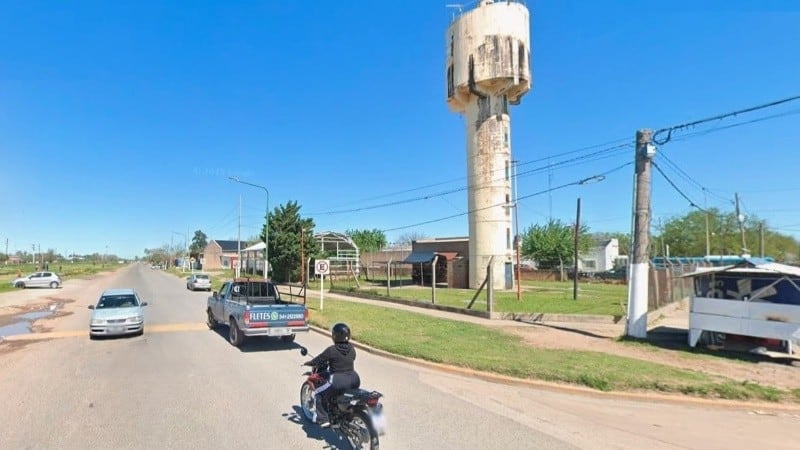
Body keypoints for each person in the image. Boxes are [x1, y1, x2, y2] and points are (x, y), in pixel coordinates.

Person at [304, 322, 360, 428]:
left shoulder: (332, 350)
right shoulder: (352, 349)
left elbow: (319, 359)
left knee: (318, 392)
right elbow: (351, 359)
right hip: (354, 378)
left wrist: (309, 363)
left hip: (338, 381)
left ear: (335, 336)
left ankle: (324, 419)